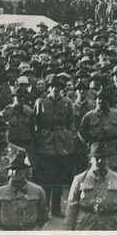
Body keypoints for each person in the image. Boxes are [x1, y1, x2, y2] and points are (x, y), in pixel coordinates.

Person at [33, 74, 75, 217]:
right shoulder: (41, 102)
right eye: (52, 87)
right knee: (46, 178)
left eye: (58, 87)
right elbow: (36, 122)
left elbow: (70, 123)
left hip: (62, 143)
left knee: (59, 178)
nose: (55, 90)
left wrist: (67, 138)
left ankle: (56, 208)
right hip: (46, 142)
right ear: (48, 88)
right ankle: (44, 209)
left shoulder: (67, 103)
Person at [66, 141, 117, 231]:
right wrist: (69, 230)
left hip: (111, 226)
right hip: (86, 226)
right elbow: (71, 207)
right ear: (91, 160)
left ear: (108, 160)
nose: (100, 161)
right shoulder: (80, 179)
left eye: (104, 158)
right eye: (97, 158)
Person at [0, 151, 48, 231]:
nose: (16, 172)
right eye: (12, 169)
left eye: (19, 169)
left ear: (25, 171)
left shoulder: (38, 190)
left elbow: (43, 214)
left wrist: (37, 228)